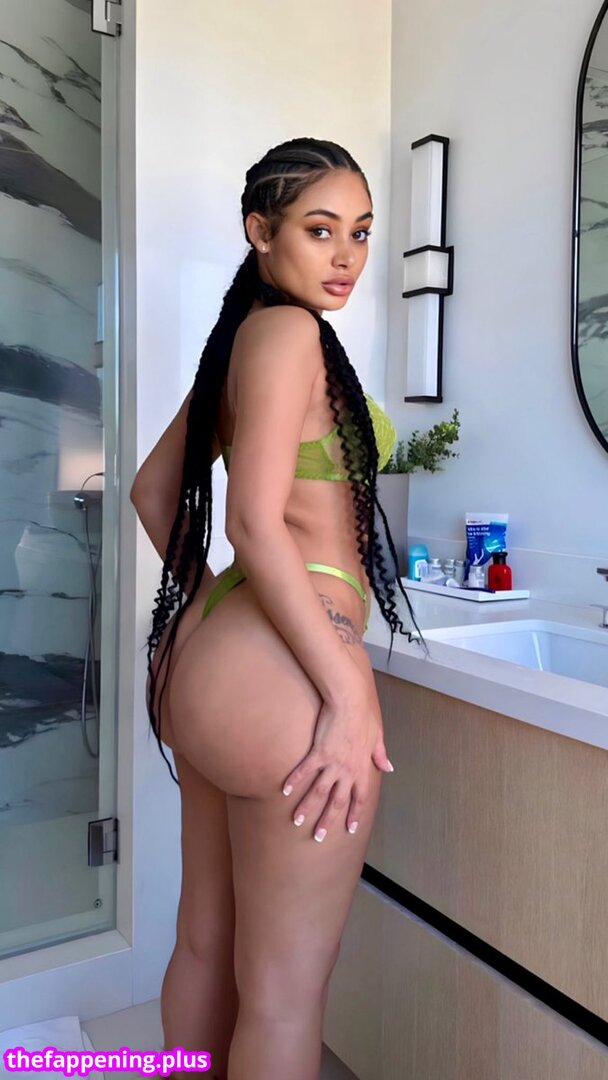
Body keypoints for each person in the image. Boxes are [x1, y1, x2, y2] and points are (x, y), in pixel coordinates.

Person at [130, 137, 427, 1080]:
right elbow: (254, 521)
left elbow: (151, 492)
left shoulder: (243, 338)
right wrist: (350, 690)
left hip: (213, 666)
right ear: (261, 233)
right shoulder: (291, 334)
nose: (346, 256)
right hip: (289, 681)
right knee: (285, 996)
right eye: (320, 230)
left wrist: (214, 612)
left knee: (205, 946)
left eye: (362, 233)